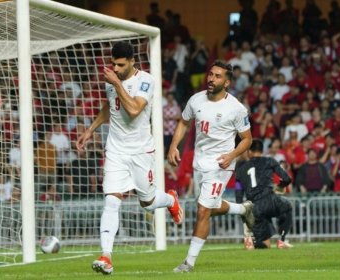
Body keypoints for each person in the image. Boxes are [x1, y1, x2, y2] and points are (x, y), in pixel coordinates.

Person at [76, 41, 183, 275]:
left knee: (148, 203)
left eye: (120, 65)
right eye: (113, 64)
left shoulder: (145, 81)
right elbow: (111, 107)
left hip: (141, 151)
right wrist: (90, 130)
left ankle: (170, 200)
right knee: (112, 200)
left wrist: (116, 83)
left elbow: (134, 110)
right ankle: (106, 256)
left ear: (132, 61)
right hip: (115, 150)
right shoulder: (112, 81)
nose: (116, 68)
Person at [167, 60, 254, 273]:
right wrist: (173, 146)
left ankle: (188, 262)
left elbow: (247, 139)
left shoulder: (236, 109)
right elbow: (184, 122)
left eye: (217, 76)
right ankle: (243, 209)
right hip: (200, 162)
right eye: (210, 74)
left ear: (227, 82)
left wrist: (232, 155)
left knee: (203, 210)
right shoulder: (196, 100)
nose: (211, 79)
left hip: (221, 165)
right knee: (208, 206)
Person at [235, 139, 294, 250]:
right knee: (288, 206)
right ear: (262, 150)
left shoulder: (240, 169)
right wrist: (281, 186)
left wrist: (244, 214)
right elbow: (287, 178)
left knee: (264, 245)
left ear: (249, 151)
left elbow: (238, 193)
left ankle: (252, 240)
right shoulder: (269, 161)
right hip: (270, 200)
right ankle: (282, 240)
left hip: (254, 207)